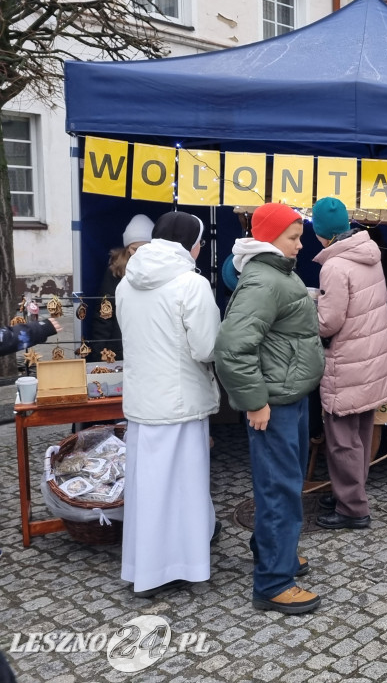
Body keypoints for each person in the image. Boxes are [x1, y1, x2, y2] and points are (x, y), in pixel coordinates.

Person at [215, 202, 325, 615]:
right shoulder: (264, 281)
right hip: (273, 404)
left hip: (288, 397)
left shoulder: (275, 272)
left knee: (286, 482)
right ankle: (273, 583)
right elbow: (232, 349)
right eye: (293, 238)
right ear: (269, 238)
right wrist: (255, 401)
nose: (300, 246)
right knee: (278, 488)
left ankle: (274, 551)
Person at [116, 212, 221, 597]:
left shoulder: (127, 283)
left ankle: (146, 567)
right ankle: (181, 564)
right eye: (198, 242)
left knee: (148, 489)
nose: (200, 249)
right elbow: (207, 347)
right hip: (179, 401)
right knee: (182, 488)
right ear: (186, 244)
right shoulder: (191, 284)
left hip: (144, 400)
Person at [309, 198, 387, 530]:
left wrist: (309, 308)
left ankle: (353, 509)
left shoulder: (334, 266)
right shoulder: (369, 256)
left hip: (347, 363)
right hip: (371, 361)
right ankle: (350, 492)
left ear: (322, 232)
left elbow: (328, 323)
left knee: (342, 440)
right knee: (359, 433)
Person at [89, 214, 154, 361]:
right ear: (127, 248)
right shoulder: (116, 272)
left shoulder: (163, 271)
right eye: (135, 249)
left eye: (146, 248)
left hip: (151, 346)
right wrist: (99, 353)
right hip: (121, 347)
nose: (141, 254)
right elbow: (104, 314)